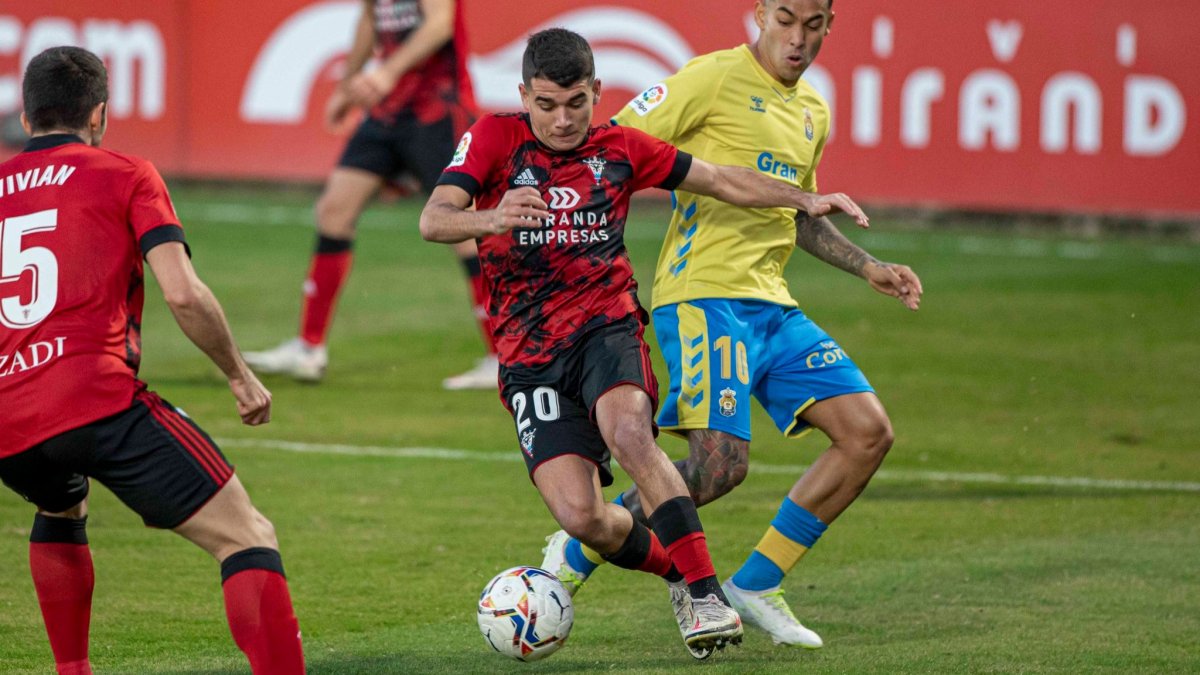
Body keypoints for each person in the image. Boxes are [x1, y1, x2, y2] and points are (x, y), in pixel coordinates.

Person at [420, 28, 870, 659]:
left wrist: (804, 197)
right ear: (524, 95)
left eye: (576, 102)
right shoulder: (495, 137)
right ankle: (674, 576)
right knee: (584, 518)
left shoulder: (622, 149)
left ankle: (706, 592)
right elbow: (433, 219)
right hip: (529, 357)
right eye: (546, 105)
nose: (562, 119)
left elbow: (721, 179)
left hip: (608, 327)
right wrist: (491, 216)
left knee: (631, 434)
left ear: (597, 92)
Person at [542, 0, 924, 650]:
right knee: (719, 465)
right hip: (702, 296)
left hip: (771, 304)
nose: (797, 37)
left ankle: (757, 580)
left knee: (867, 433)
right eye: (784, 18)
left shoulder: (812, 110)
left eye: (812, 24)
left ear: (830, 26)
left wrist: (866, 266)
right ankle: (580, 545)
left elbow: (798, 213)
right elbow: (611, 145)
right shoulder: (709, 79)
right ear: (758, 15)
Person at [0, 47, 305, 674]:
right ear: (100, 115)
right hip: (94, 398)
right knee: (246, 536)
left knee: (58, 501)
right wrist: (239, 377)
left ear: (26, 119)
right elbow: (183, 292)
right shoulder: (127, 173)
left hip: (9, 422)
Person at [244, 0, 498, 389]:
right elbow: (369, 18)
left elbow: (440, 25)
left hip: (436, 109)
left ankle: (503, 355)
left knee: (465, 230)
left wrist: (386, 72)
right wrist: (349, 86)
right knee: (333, 211)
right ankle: (310, 349)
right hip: (387, 111)